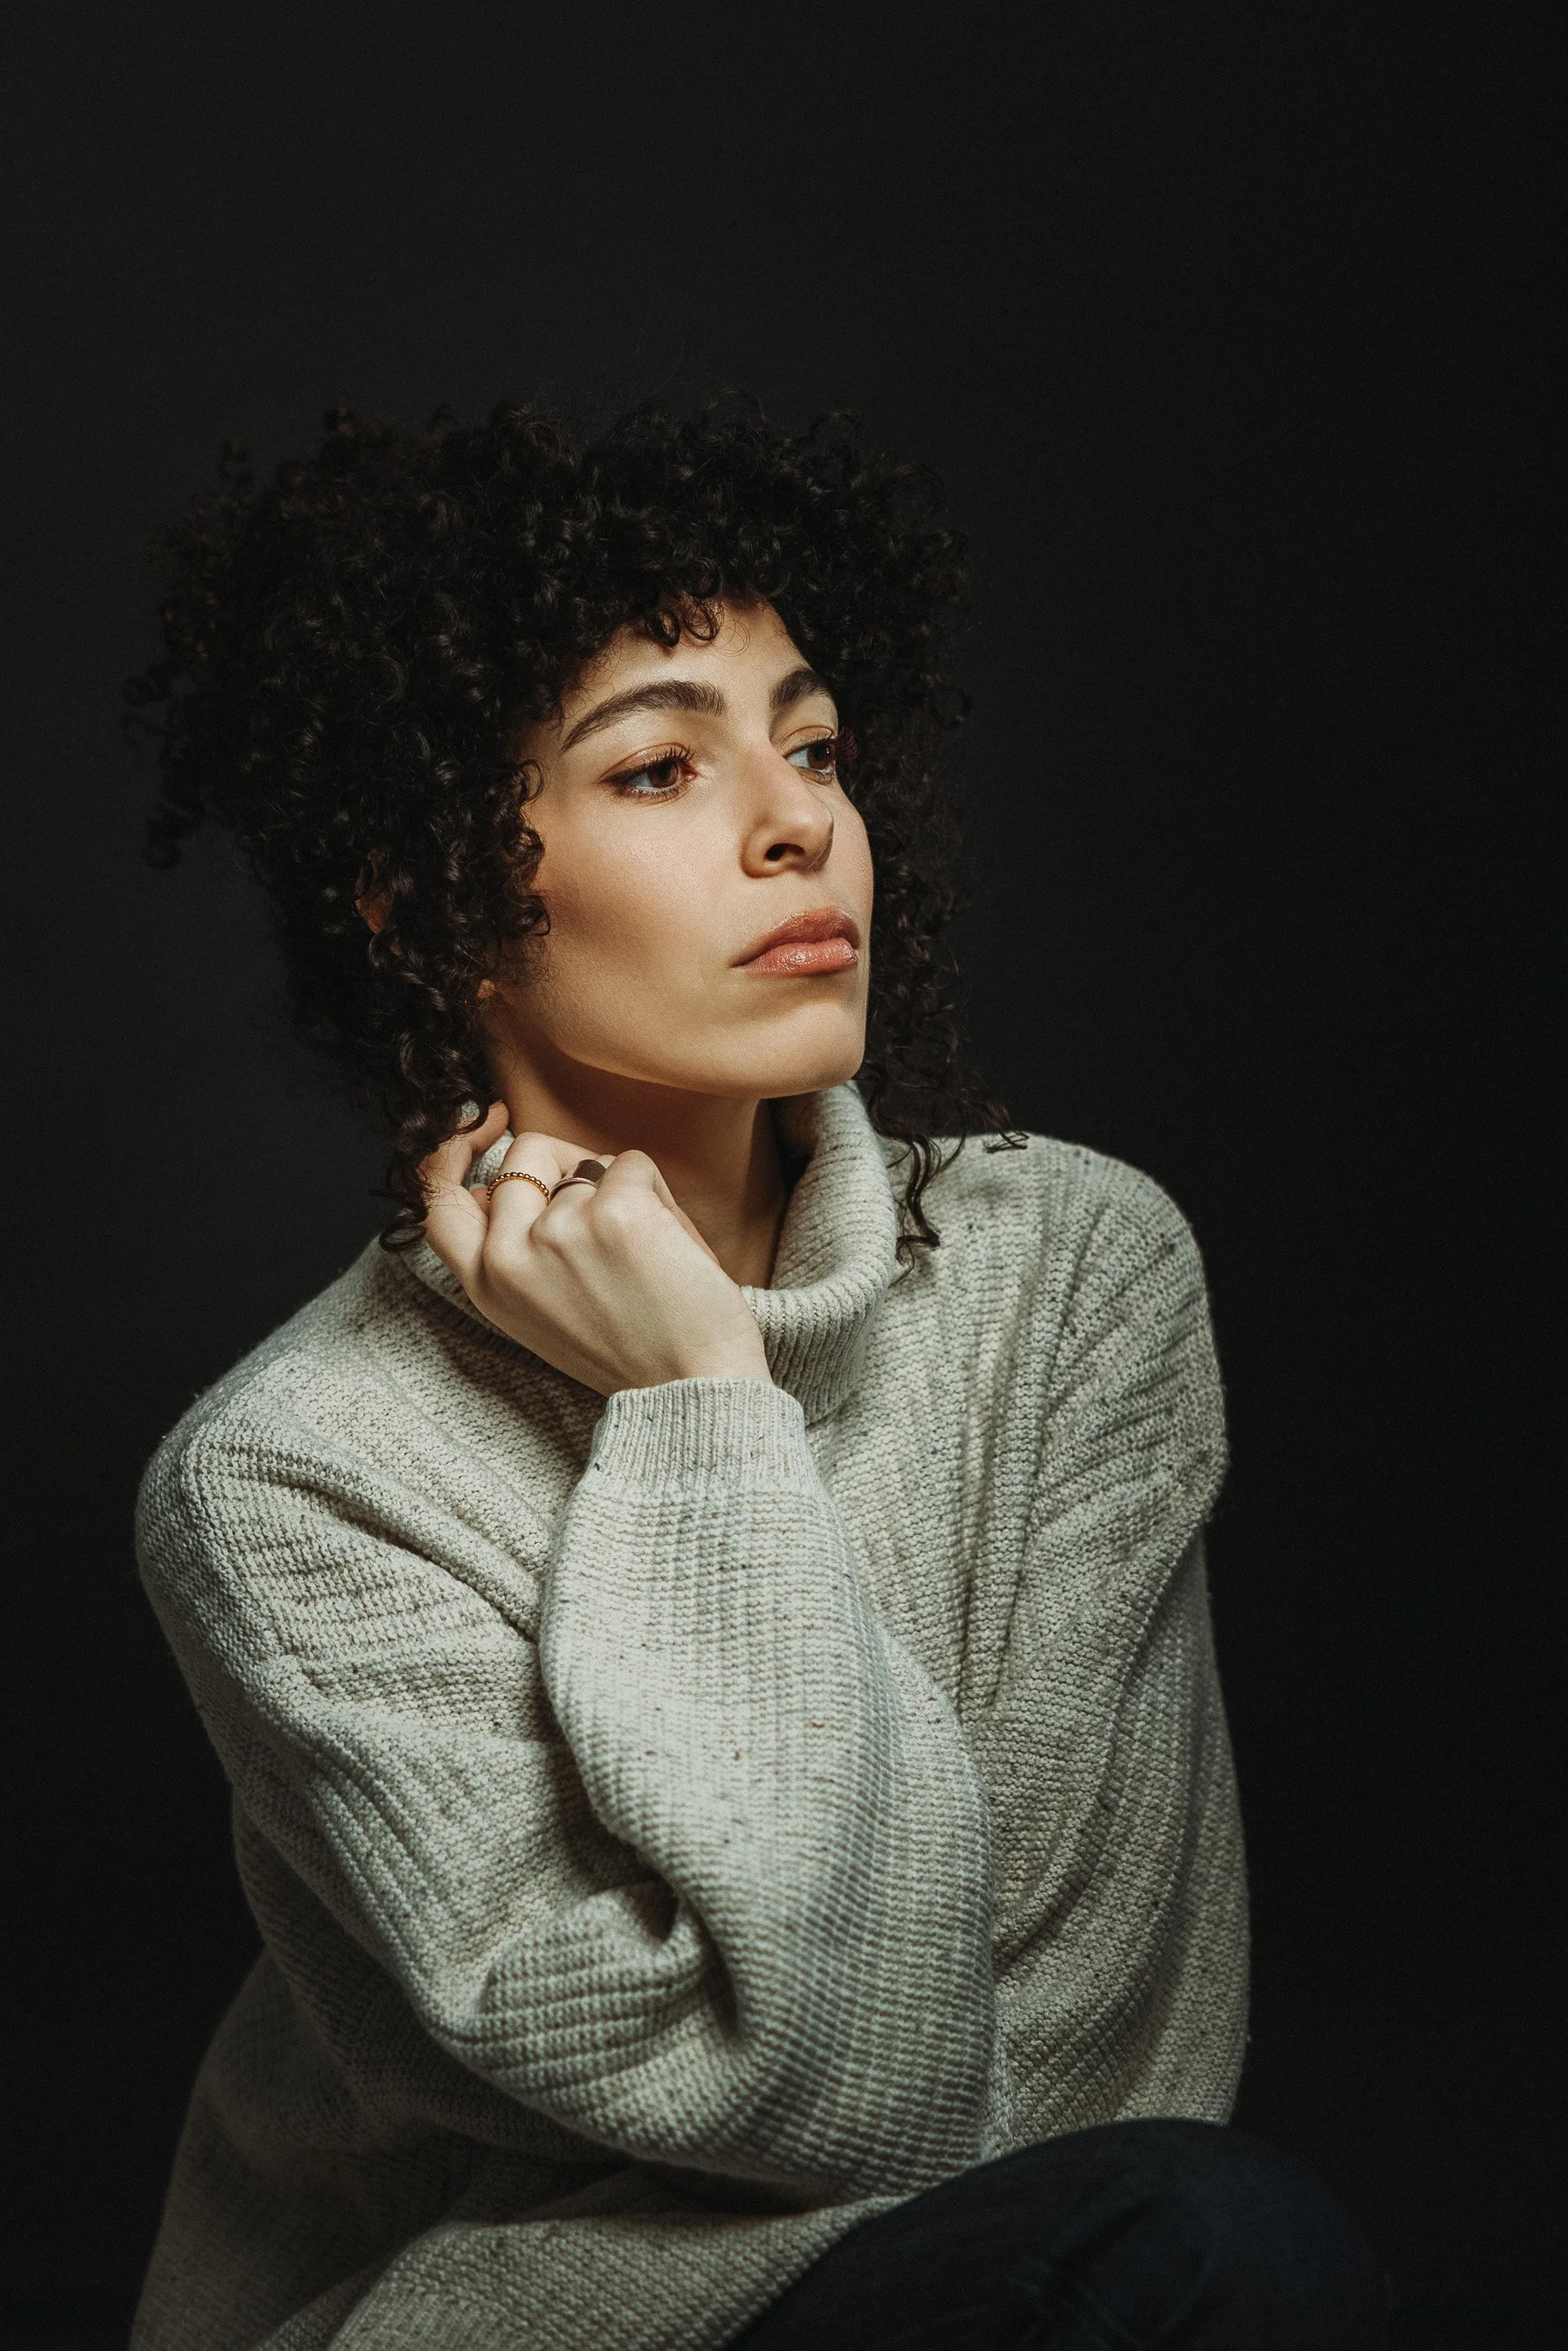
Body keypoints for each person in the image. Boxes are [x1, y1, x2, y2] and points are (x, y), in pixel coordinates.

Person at [125, 400, 1387, 2349]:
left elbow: (1092, 2055)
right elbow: (828, 2083)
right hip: (502, 2327)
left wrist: (697, 1378)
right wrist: (701, 1412)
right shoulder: (292, 1475)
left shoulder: (1071, 1269)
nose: (798, 822)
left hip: (1030, 2270)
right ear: (414, 890)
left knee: (1206, 2234)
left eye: (812, 748)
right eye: (658, 766)